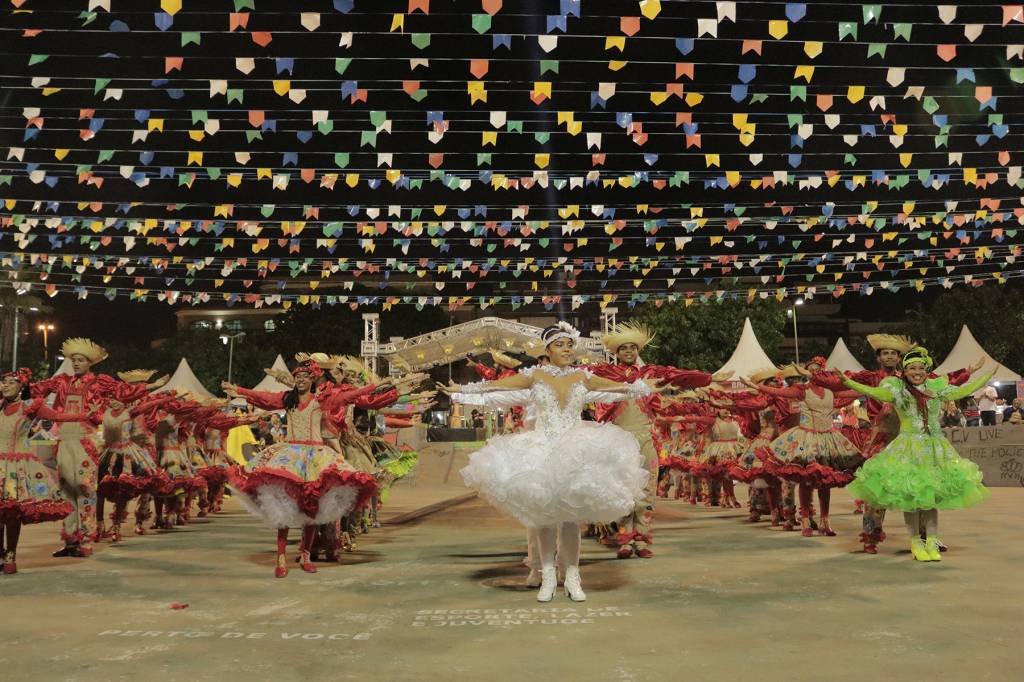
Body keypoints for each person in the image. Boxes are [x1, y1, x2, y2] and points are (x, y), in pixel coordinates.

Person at [444, 322, 652, 602]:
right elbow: (496, 387)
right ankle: (548, 576)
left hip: (576, 450)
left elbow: (620, 388)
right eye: (560, 345)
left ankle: (573, 577)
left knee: (570, 519)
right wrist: (460, 391)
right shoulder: (535, 376)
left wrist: (640, 387)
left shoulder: (582, 376)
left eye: (570, 345)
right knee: (544, 519)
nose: (567, 350)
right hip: (542, 450)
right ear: (548, 350)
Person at [222, 362, 378, 578]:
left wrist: (373, 387)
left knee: (311, 509)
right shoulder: (288, 399)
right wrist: (239, 390)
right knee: (284, 507)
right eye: (298, 376)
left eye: (305, 376)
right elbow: (265, 397)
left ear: (312, 379)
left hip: (315, 457)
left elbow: (347, 397)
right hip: (290, 457)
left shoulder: (320, 400)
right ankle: (281, 557)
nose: (301, 380)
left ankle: (306, 555)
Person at [843, 347, 991, 561]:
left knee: (924, 489)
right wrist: (835, 379)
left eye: (893, 353)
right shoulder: (873, 377)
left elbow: (949, 381)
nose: (889, 356)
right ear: (878, 357)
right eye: (885, 353)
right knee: (877, 490)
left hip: (922, 440)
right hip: (885, 438)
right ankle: (870, 536)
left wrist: (970, 371)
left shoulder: (921, 378)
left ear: (899, 358)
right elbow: (847, 383)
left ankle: (927, 539)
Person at [589, 322, 721, 559]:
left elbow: (677, 375)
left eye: (632, 347)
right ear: (616, 352)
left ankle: (641, 537)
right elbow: (579, 375)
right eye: (624, 348)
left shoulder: (649, 373)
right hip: (619, 441)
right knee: (623, 490)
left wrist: (708, 378)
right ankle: (625, 539)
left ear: (637, 350)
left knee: (647, 490)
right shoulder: (606, 373)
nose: (629, 351)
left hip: (646, 439)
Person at [30, 337, 167, 558]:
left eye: (81, 360)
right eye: (74, 360)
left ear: (90, 362)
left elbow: (125, 391)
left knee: (85, 489)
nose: (76, 363)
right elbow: (36, 390)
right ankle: (70, 541)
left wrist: (149, 386)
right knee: (67, 491)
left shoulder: (98, 383)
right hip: (64, 440)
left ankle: (85, 540)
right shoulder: (62, 381)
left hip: (85, 441)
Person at [0, 368, 86, 574]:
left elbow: (57, 416)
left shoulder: (29, 406)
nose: (5, 385)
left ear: (21, 386)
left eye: (11, 382)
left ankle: (10, 554)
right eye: (3, 382)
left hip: (17, 468)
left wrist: (86, 415)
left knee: (12, 513)